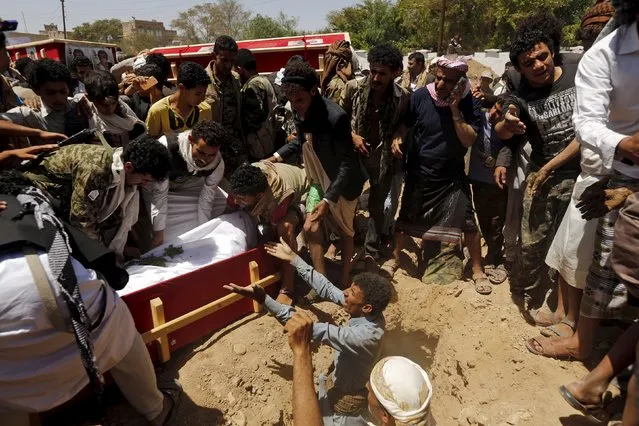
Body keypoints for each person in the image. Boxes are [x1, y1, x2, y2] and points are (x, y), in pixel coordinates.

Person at [0, 170, 181, 426]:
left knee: (6, 386)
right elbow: (89, 255)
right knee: (118, 326)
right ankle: (155, 409)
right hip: (54, 279)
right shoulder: (33, 199)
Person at [524, 1, 639, 360]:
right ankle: (566, 315)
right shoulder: (598, 62)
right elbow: (585, 128)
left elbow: (584, 132)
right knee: (567, 254)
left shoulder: (581, 69)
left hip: (611, 176)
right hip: (592, 175)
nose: (595, 35)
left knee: (588, 261)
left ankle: (578, 329)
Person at [225, 238, 392, 426]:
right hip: (336, 383)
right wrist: (294, 258)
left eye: (351, 292)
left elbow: (306, 328)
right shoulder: (370, 314)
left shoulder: (364, 337)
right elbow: (327, 289)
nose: (344, 292)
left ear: (367, 307)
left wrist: (264, 298)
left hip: (344, 410)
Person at [494, 13, 581, 315]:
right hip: (540, 178)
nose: (538, 66)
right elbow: (503, 130)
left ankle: (560, 304)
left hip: (580, 177)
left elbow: (587, 134)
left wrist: (547, 168)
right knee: (532, 241)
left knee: (570, 245)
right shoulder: (520, 91)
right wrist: (508, 122)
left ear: (552, 51)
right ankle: (528, 292)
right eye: (528, 63)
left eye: (542, 57)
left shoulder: (579, 74)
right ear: (519, 68)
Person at [388, 56, 490, 293]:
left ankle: (477, 269)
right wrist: (398, 136)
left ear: (459, 82)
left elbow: (468, 139)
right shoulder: (422, 96)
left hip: (451, 175)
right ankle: (394, 258)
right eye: (439, 78)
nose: (441, 84)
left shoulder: (468, 102)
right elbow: (405, 123)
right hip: (420, 170)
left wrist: (455, 110)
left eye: (449, 81)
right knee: (405, 218)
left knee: (468, 221)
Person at [267, 60, 367, 288]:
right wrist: (274, 157)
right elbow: (302, 143)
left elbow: (346, 164)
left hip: (343, 183)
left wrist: (328, 199)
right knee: (310, 227)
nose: (296, 106)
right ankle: (322, 284)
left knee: (345, 231)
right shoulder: (299, 109)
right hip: (317, 178)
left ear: (314, 91)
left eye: (300, 100)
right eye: (292, 101)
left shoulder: (336, 118)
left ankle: (343, 279)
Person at [23, 134, 171, 257]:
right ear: (128, 167)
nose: (144, 185)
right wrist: (104, 256)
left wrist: (122, 248)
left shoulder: (119, 169)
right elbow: (82, 220)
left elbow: (113, 215)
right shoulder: (97, 171)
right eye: (144, 180)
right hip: (40, 196)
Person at [339, 43, 410, 271]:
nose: (376, 77)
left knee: (377, 205)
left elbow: (406, 122)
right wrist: (352, 137)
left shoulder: (403, 97)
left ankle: (371, 249)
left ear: (395, 73)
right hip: (354, 155)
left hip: (382, 157)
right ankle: (345, 242)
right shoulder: (353, 89)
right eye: (373, 71)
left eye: (383, 73)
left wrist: (399, 136)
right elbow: (338, 121)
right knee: (347, 200)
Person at [229, 162, 308, 304]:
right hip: (271, 203)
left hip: (301, 197)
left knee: (284, 229)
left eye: (241, 198)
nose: (236, 200)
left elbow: (274, 229)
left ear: (259, 196)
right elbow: (230, 205)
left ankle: (288, 287)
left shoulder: (279, 196)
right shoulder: (245, 182)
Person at [150, 121, 226, 248]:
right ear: (191, 140)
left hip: (188, 183)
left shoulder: (217, 163)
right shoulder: (165, 148)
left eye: (211, 155)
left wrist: (203, 230)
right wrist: (159, 231)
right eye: (201, 152)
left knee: (222, 206)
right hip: (157, 187)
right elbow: (159, 195)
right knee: (163, 233)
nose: (205, 159)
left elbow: (207, 197)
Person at [0, 58, 89, 146]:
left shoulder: (78, 104)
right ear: (36, 91)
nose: (58, 98)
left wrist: (83, 98)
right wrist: (38, 133)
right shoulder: (30, 114)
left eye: (63, 92)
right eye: (50, 93)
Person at [468, 96, 508, 282]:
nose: (493, 113)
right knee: (483, 218)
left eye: (499, 112)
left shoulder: (508, 130)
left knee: (497, 222)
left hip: (499, 183)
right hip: (478, 180)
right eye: (493, 108)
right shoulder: (479, 119)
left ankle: (495, 256)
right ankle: (489, 253)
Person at [205, 35, 246, 178]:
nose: (228, 65)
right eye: (224, 60)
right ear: (213, 55)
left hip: (235, 148)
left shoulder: (236, 79)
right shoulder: (202, 81)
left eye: (232, 61)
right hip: (212, 150)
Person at [146, 61, 212, 137]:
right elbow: (151, 142)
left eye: (204, 93)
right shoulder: (157, 111)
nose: (203, 99)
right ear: (181, 87)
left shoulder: (206, 109)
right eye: (198, 94)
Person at [236, 48, 278, 161]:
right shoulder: (264, 80)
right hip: (269, 140)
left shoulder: (252, 85)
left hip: (258, 147)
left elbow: (253, 119)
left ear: (239, 69)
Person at [84, 70, 145, 147]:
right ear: (89, 98)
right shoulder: (85, 114)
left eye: (113, 103)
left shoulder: (124, 107)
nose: (110, 108)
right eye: (104, 105)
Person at [0, 31, 20, 113]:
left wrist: (28, 102)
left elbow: (17, 102)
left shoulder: (3, 82)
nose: (9, 58)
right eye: (5, 53)